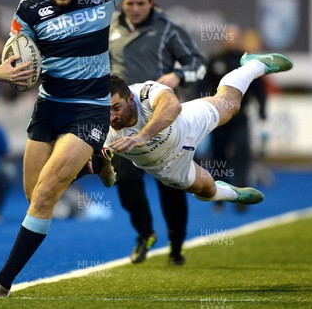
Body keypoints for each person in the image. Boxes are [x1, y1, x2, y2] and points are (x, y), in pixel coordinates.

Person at [0, 0, 207, 299]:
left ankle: (2, 282)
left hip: (90, 110)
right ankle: (95, 163)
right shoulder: (29, 9)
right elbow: (5, 63)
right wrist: (0, 75)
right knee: (34, 195)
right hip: (49, 107)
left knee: (45, 195)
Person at [101, 53, 293, 217]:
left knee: (230, 105)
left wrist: (142, 137)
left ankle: (255, 65)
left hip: (186, 124)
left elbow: (172, 106)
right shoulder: (99, 125)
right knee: (207, 190)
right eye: (106, 111)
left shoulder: (144, 91)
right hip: (167, 166)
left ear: (130, 99)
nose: (112, 117)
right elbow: (94, 161)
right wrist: (105, 170)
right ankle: (233, 194)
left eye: (116, 108)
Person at [109, 0, 207, 265]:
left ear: (151, 3)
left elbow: (198, 65)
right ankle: (145, 234)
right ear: (123, 3)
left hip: (161, 119)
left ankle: (176, 245)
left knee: (173, 185)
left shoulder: (168, 29)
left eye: (141, 3)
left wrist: (178, 75)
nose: (135, 8)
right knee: (125, 180)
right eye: (130, 3)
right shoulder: (108, 28)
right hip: (123, 119)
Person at [203, 25, 267, 213]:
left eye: (235, 36)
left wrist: (263, 109)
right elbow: (203, 84)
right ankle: (219, 198)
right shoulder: (214, 60)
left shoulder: (246, 61)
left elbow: (258, 88)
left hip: (241, 118)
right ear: (224, 38)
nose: (232, 39)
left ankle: (241, 198)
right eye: (229, 36)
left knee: (241, 157)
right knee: (219, 157)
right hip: (219, 119)